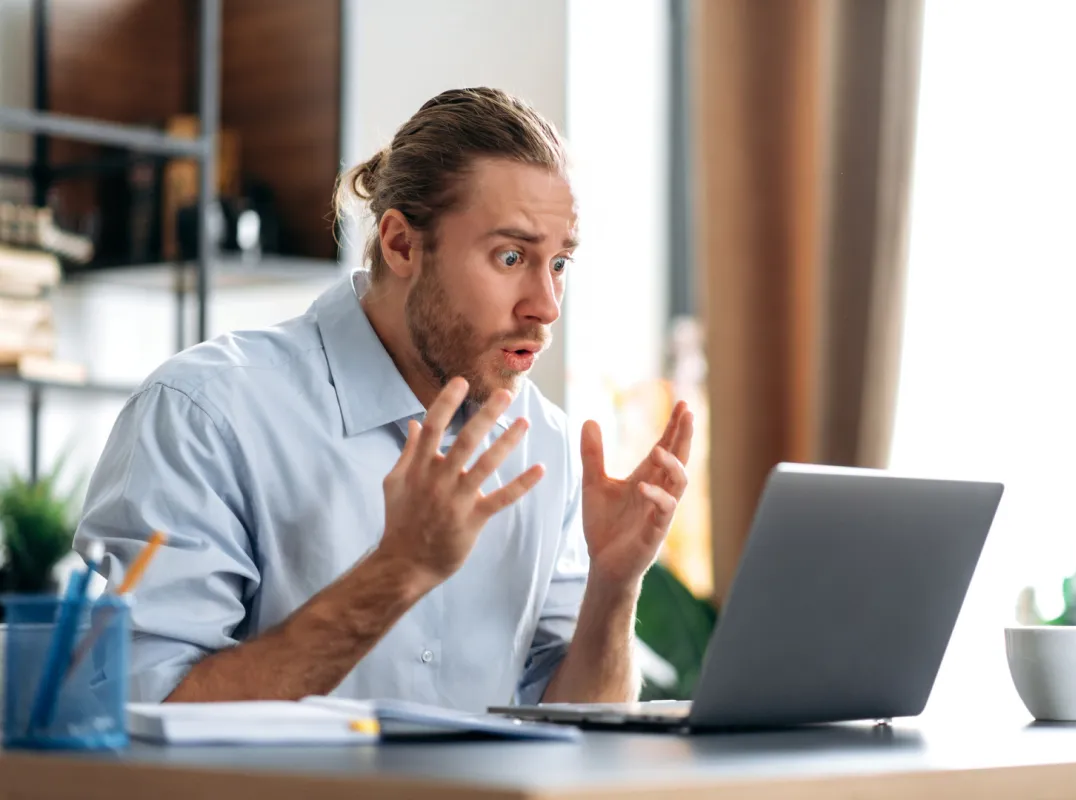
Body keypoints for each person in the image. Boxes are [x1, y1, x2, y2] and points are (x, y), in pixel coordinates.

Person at [72, 87, 693, 710]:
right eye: (510, 256)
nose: (546, 306)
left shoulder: (547, 444)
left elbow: (574, 724)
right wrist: (397, 572)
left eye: (559, 263)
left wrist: (614, 585)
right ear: (400, 244)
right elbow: (145, 714)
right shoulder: (205, 413)